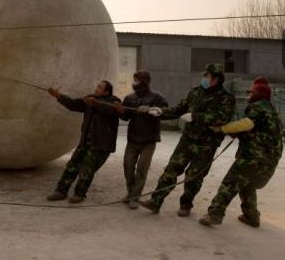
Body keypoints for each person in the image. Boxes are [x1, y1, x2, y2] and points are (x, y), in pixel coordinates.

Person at [139, 63, 236, 216]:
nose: (204, 78)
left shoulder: (226, 98)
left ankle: (186, 204)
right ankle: (155, 201)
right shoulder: (195, 92)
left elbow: (222, 118)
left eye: (207, 76)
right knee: (171, 170)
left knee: (194, 177)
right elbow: (179, 109)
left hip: (206, 144)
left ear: (216, 79)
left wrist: (195, 117)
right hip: (187, 140)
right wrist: (160, 111)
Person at [199, 77, 283, 228]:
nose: (249, 95)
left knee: (230, 183)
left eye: (251, 92)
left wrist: (223, 129)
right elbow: (258, 131)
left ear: (257, 93)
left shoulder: (257, 106)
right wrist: (240, 134)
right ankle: (251, 217)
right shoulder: (272, 112)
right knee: (247, 184)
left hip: (253, 156)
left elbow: (246, 124)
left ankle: (215, 214)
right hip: (270, 160)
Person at [46, 80, 121, 203]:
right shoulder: (90, 100)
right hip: (85, 142)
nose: (96, 88)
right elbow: (73, 104)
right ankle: (60, 191)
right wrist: (58, 96)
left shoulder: (114, 102)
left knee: (87, 169)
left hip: (100, 145)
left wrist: (95, 102)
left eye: (100, 87)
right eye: (97, 86)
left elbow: (109, 109)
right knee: (72, 165)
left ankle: (79, 194)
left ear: (106, 91)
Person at [119, 70, 168, 209]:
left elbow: (164, 112)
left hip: (149, 139)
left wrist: (151, 108)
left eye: (137, 80)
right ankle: (130, 193)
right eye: (134, 80)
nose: (134, 83)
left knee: (141, 168)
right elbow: (125, 117)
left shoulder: (157, 97)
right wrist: (120, 111)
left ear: (145, 81)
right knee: (128, 167)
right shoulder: (129, 98)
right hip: (133, 138)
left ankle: (135, 196)